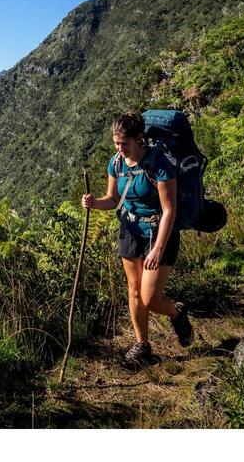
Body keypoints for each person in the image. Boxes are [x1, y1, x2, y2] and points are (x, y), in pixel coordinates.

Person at [82, 111, 193, 369]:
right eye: (116, 143)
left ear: (139, 138)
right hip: (129, 230)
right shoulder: (116, 163)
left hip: (158, 234)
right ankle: (143, 347)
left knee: (151, 299)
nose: (120, 149)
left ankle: (177, 313)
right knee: (134, 291)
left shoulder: (160, 165)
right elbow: (112, 199)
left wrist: (157, 249)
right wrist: (93, 203)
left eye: (125, 143)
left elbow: (169, 211)